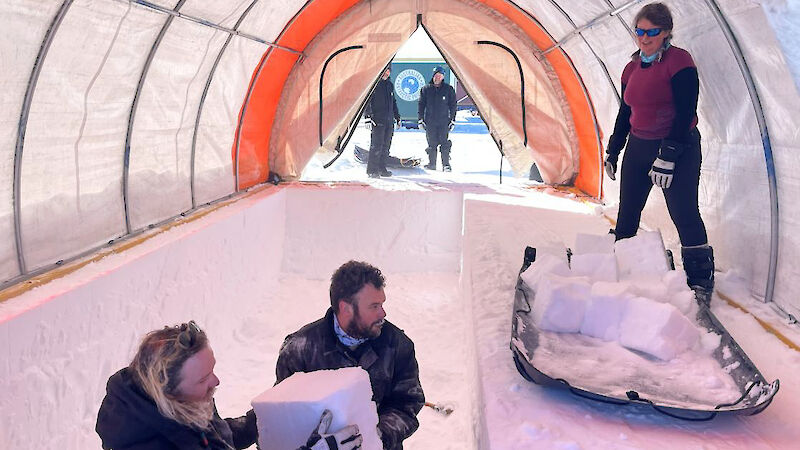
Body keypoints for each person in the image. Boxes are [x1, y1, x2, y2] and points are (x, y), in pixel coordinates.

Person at [96, 321, 362, 450]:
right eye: (203, 379)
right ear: (166, 391)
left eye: (212, 370)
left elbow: (211, 440)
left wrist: (264, 421)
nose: (216, 382)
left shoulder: (183, 405)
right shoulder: (145, 444)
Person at [604, 2, 714, 305]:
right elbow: (626, 112)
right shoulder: (631, 67)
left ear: (666, 32)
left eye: (651, 31)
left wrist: (668, 154)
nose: (644, 37)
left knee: (684, 213)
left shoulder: (679, 62)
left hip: (678, 147)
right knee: (626, 215)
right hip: (639, 147)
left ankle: (701, 280)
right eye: (639, 30)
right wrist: (613, 150)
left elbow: (685, 112)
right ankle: (621, 272)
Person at [276, 261, 425, 450]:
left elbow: (407, 403)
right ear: (346, 308)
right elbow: (285, 415)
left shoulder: (397, 345)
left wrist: (375, 437)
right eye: (374, 306)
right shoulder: (300, 349)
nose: (383, 313)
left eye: (382, 304)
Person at [364, 66, 401, 178]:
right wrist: (368, 117)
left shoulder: (389, 85)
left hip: (389, 121)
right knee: (376, 146)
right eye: (385, 70)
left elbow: (393, 102)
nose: (386, 73)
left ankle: (381, 168)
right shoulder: (374, 84)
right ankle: (372, 170)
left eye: (388, 71)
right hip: (377, 121)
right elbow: (367, 101)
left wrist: (397, 117)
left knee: (386, 146)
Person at [418, 66, 457, 171]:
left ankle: (446, 165)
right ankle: (432, 164)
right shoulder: (426, 89)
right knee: (431, 144)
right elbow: (421, 105)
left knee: (444, 143)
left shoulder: (448, 89)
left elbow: (453, 105)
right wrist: (420, 120)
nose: (437, 78)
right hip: (430, 122)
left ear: (443, 77)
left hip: (444, 121)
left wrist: (452, 120)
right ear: (433, 76)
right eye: (436, 75)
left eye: (440, 76)